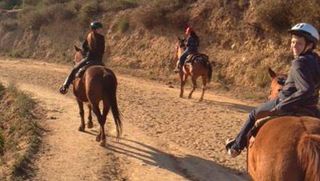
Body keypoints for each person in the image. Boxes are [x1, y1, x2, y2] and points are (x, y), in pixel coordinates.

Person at [226, 23, 320, 157]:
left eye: (298, 43)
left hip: (287, 100)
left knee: (253, 114)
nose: (293, 45)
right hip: (311, 107)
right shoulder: (316, 60)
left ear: (309, 45)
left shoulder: (299, 62)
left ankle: (236, 147)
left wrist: (282, 105)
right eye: (292, 42)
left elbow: (306, 89)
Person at [59, 21, 105, 94]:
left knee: (74, 69)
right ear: (94, 29)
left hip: (90, 58)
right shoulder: (102, 38)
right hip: (99, 60)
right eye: (99, 29)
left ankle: (65, 86)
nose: (100, 30)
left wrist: (87, 52)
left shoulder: (89, 36)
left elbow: (84, 46)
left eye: (100, 29)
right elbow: (102, 50)